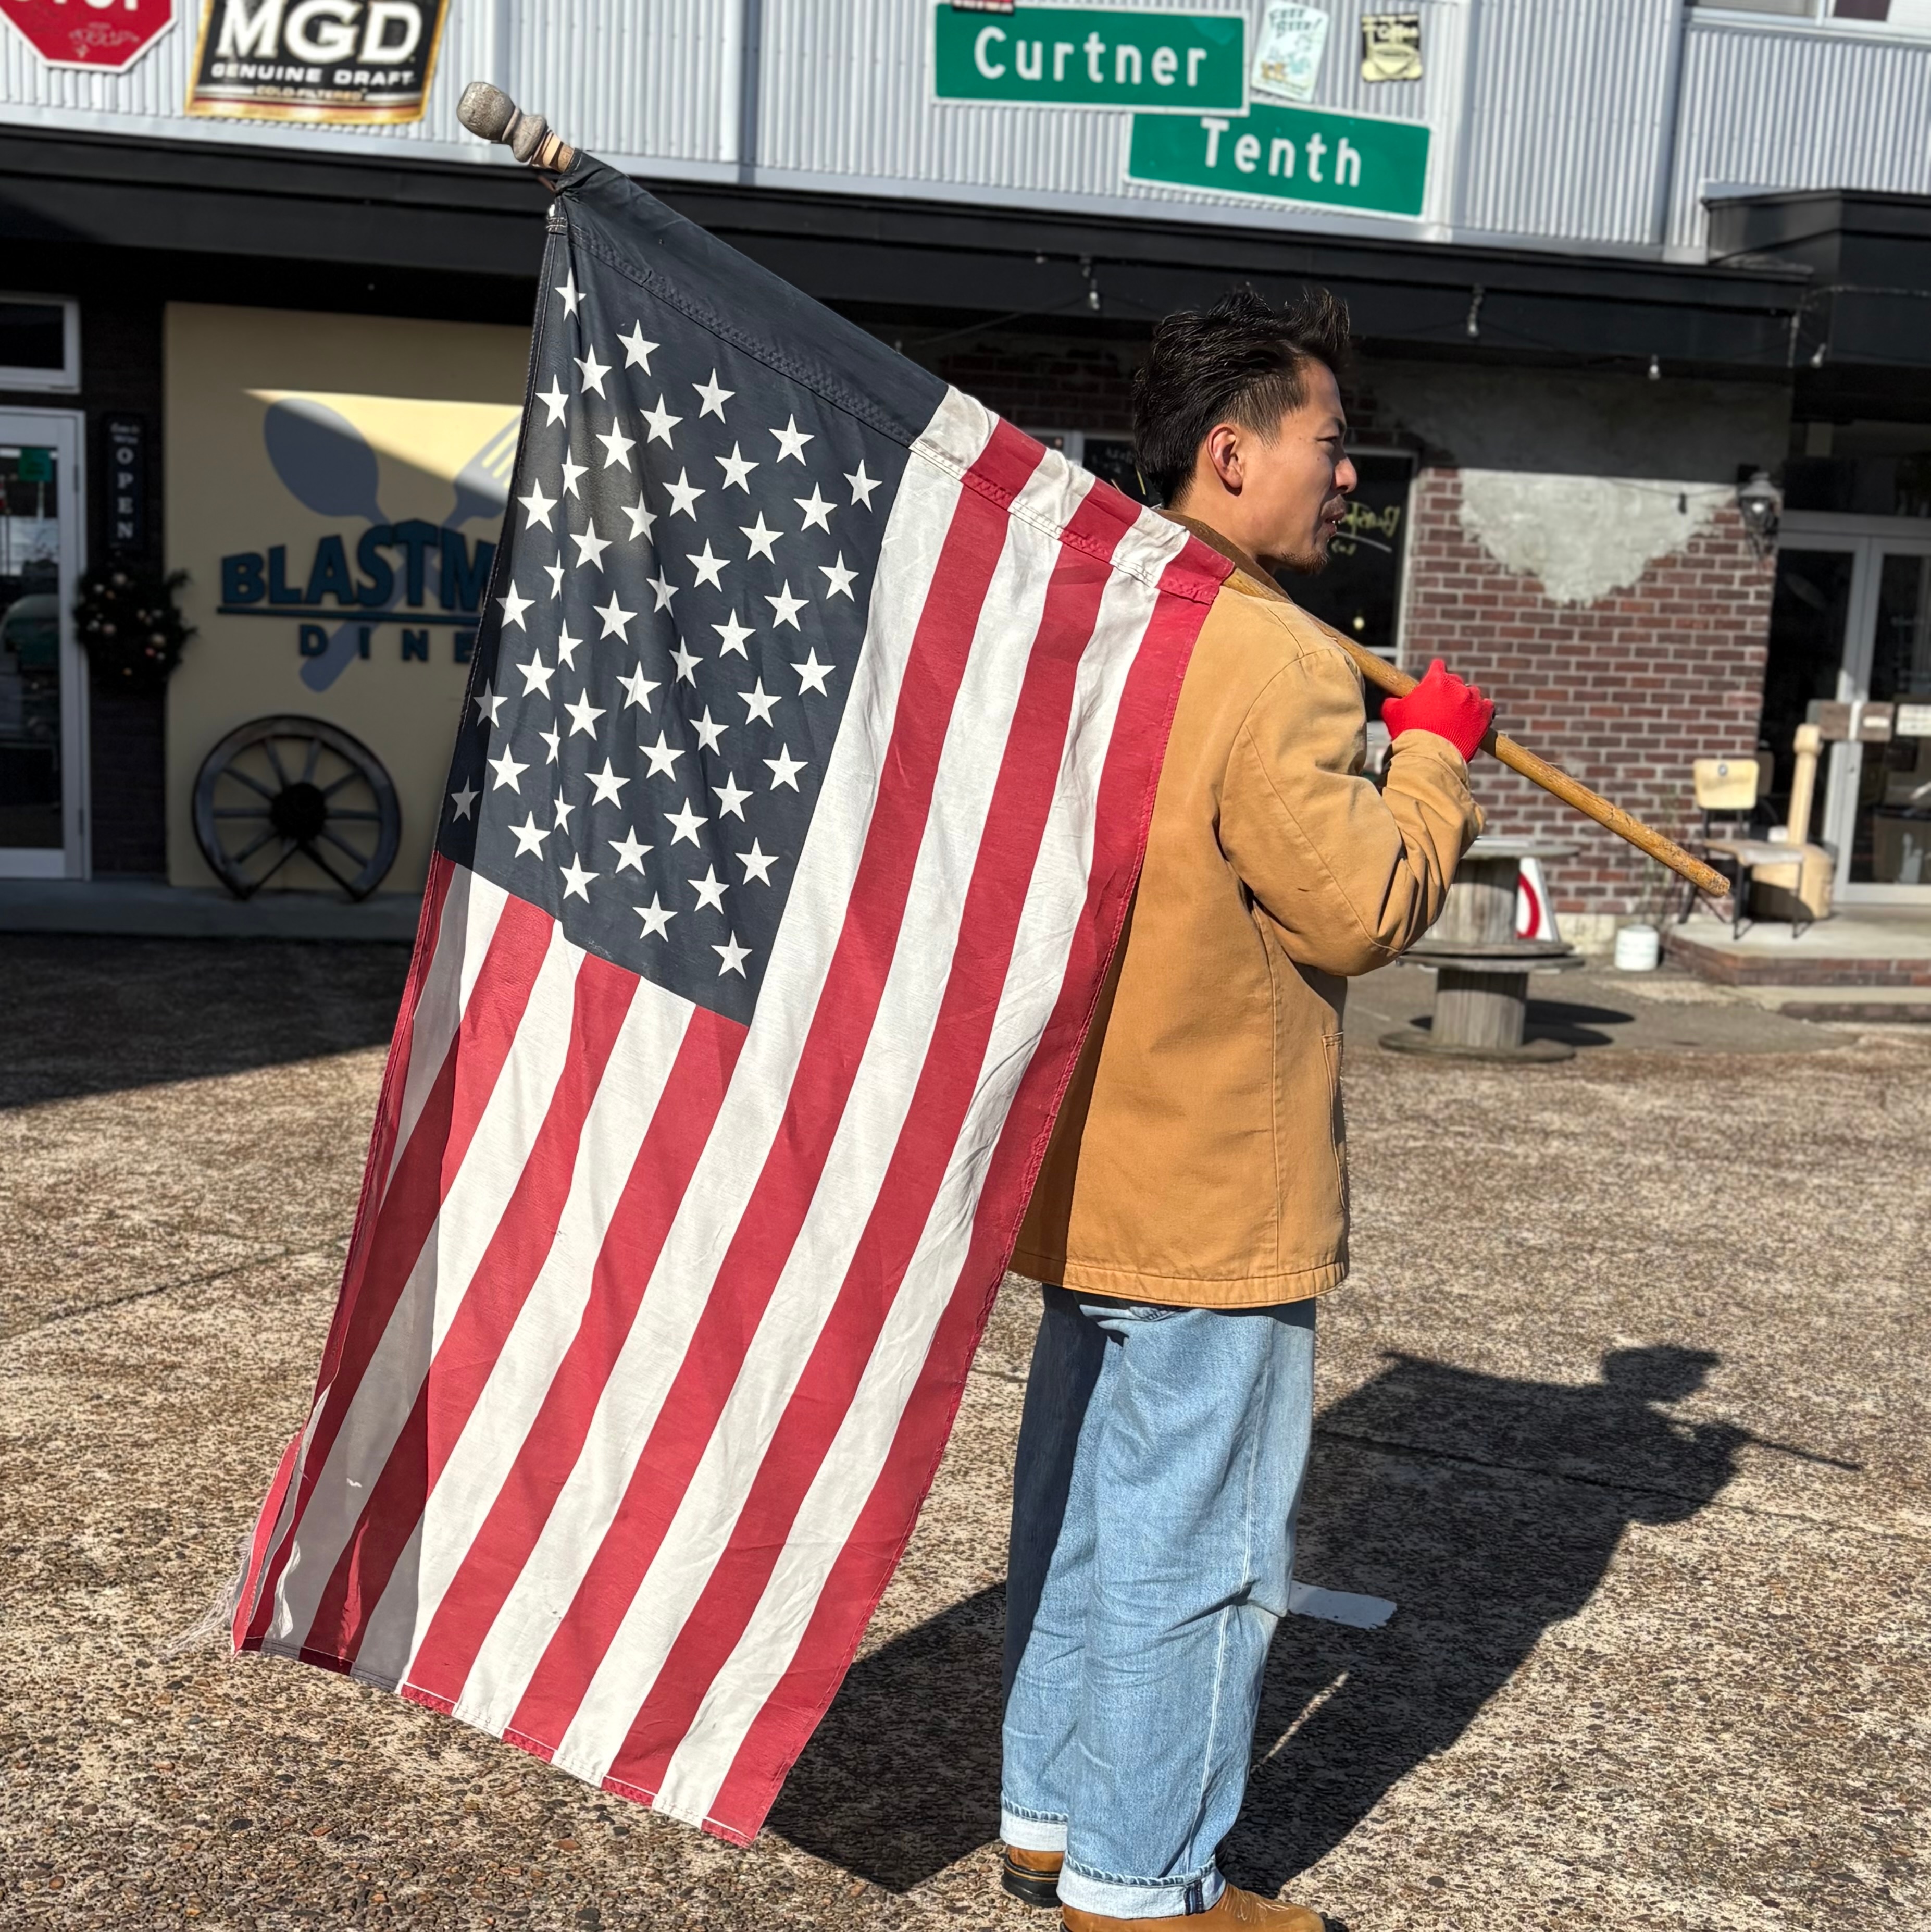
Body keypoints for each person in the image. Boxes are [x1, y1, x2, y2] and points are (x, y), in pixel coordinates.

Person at [998, 287, 1493, 1931]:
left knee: (1079, 1520)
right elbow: (1357, 904)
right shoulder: (1278, 655)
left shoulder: (1101, 612)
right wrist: (1429, 759)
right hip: (1211, 1181)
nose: (1347, 475)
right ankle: (1145, 1885)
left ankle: (1052, 1817)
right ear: (1230, 453)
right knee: (1198, 1552)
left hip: (1083, 1160)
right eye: (1327, 443)